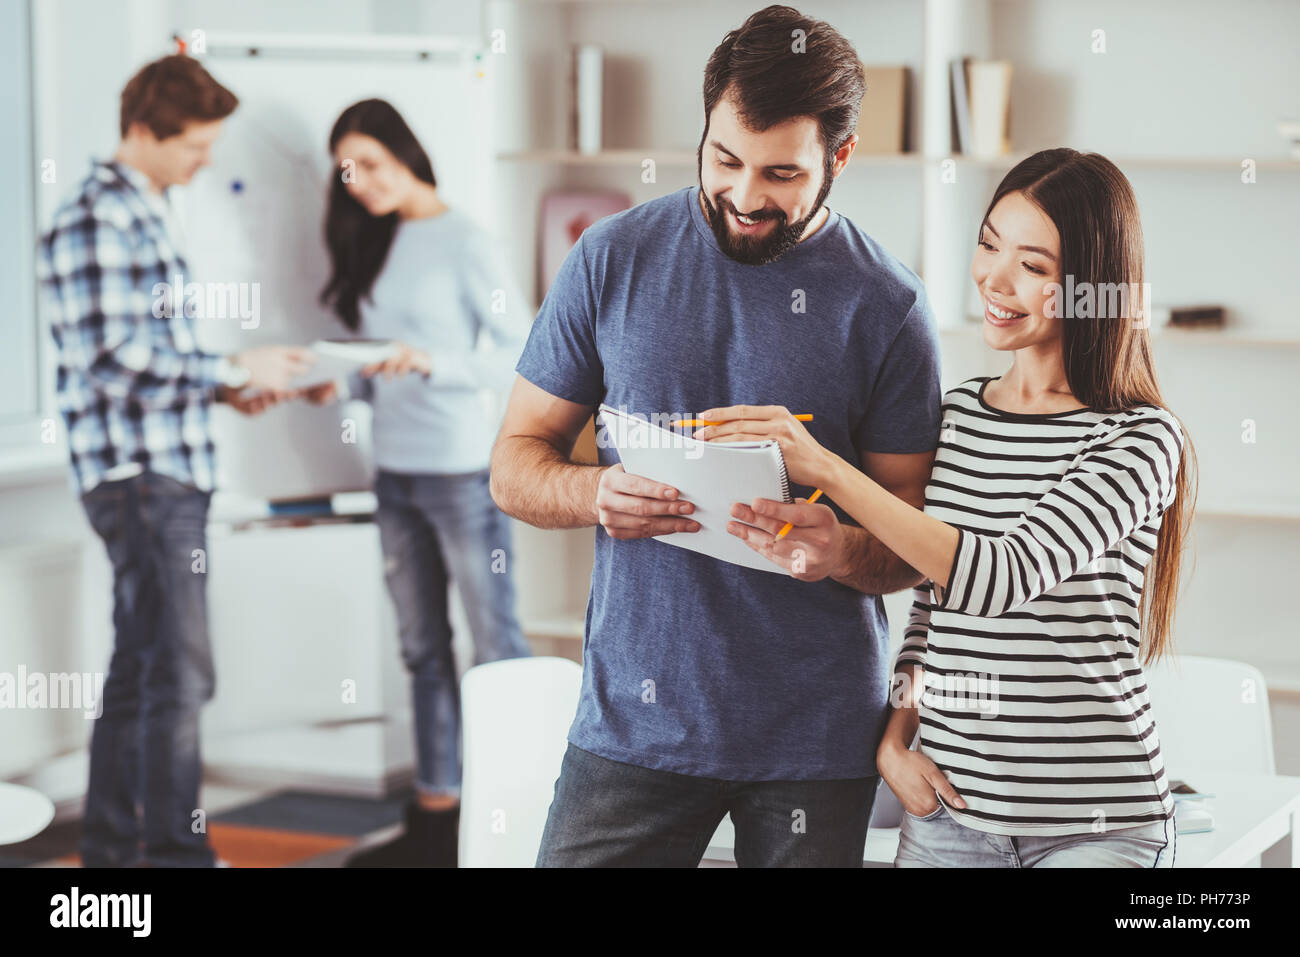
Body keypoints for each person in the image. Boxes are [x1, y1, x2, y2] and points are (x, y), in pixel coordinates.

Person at [490, 5, 943, 867]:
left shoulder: (889, 306)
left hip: (815, 736)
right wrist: (595, 490)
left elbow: (917, 542)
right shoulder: (610, 258)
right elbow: (514, 465)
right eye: (724, 159)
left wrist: (842, 549)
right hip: (636, 722)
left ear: (839, 158)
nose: (743, 195)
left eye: (779, 174)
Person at [696, 148, 1196, 867]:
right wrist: (896, 741)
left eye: (1034, 265)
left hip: (1096, 823)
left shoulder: (1141, 438)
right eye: (990, 243)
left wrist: (827, 469)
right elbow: (936, 604)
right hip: (950, 810)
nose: (994, 277)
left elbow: (998, 575)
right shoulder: (959, 413)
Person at [37, 54, 314, 867]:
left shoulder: (145, 209)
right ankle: (173, 857)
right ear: (144, 130)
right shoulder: (96, 217)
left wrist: (232, 391)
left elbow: (152, 357)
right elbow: (114, 358)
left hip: (164, 472)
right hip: (140, 480)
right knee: (181, 675)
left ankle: (115, 849)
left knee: (143, 667)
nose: (205, 162)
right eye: (195, 145)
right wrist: (230, 372)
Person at [303, 99, 533, 867]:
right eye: (347, 170)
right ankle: (437, 814)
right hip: (394, 475)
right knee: (421, 649)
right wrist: (336, 384)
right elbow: (375, 363)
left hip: (462, 472)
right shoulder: (374, 238)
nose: (359, 182)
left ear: (407, 151)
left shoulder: (465, 241)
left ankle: (515, 818)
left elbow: (521, 350)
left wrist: (430, 360)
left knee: (495, 647)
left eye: (370, 162)